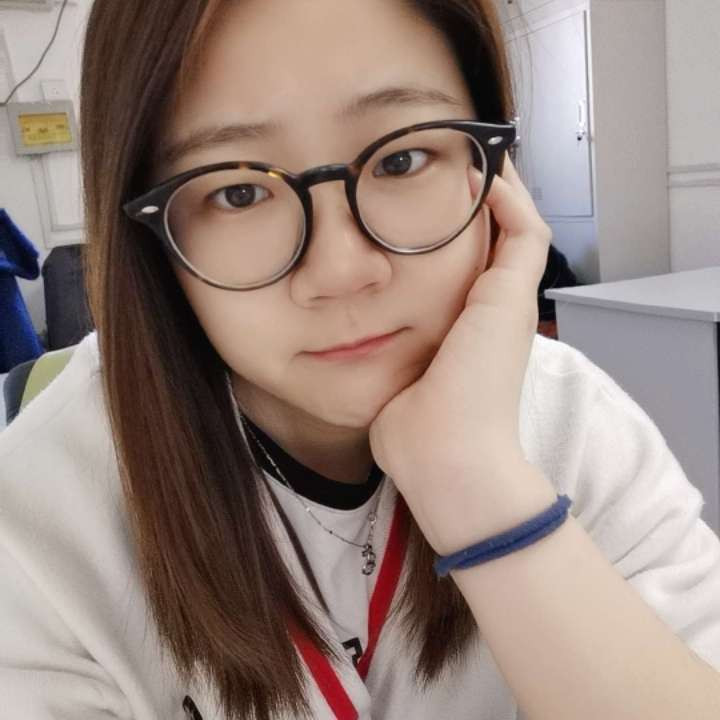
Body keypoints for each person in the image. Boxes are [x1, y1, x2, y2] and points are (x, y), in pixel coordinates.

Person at [1, 1, 720, 718]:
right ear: (147, 237)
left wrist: (477, 482)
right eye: (238, 192)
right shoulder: (38, 521)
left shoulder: (575, 423)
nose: (342, 269)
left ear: (495, 175)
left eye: (401, 159)